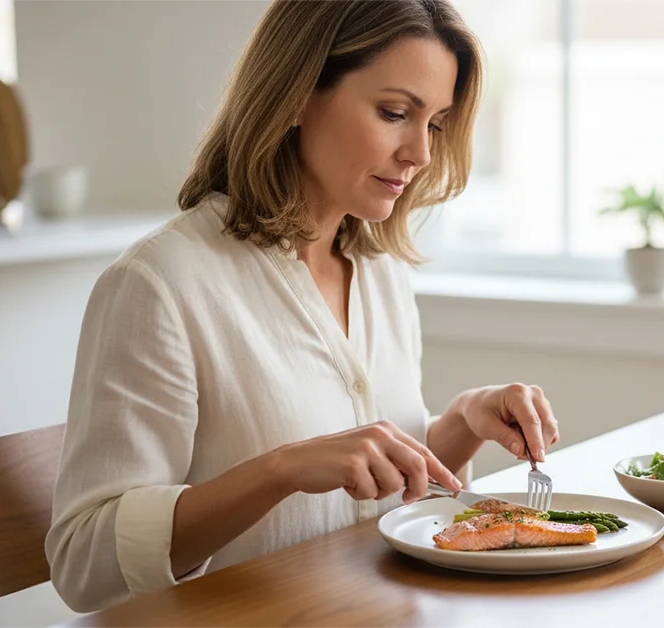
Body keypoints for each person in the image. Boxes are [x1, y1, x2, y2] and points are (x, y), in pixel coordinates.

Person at [46, 0, 559, 612]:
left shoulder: (380, 272)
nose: (420, 154)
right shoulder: (160, 284)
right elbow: (83, 564)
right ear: (295, 95)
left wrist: (464, 424)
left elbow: (376, 496)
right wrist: (279, 470)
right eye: (395, 113)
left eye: (436, 124)